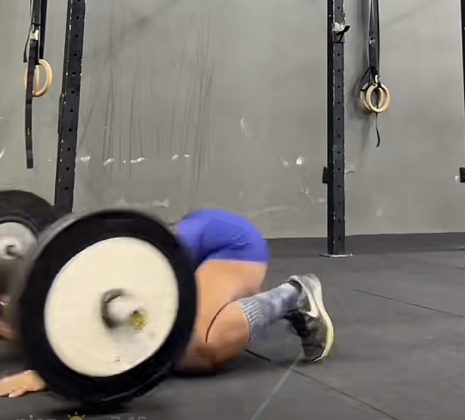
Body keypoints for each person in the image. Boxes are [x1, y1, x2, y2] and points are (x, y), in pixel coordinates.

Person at [0, 208, 334, 397]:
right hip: (186, 250)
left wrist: (48, 373)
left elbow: (106, 314)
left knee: (197, 349)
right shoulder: (27, 295)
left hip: (231, 245)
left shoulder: (84, 271)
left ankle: (294, 295)